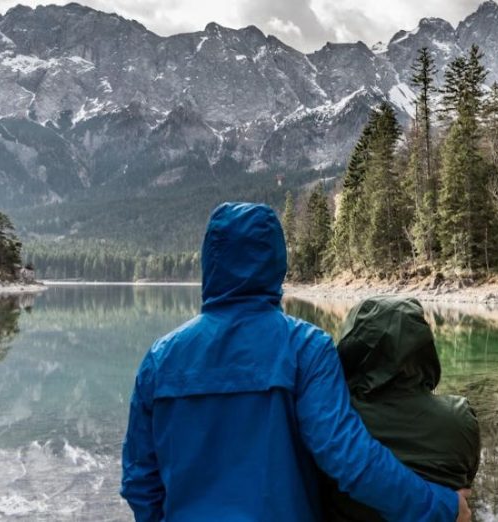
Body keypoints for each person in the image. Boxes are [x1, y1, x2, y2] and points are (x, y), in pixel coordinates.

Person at [120, 202, 470, 522]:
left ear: (209, 260)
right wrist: (442, 507)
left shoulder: (159, 359)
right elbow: (349, 460)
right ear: (277, 261)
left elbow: (139, 481)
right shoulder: (306, 347)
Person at [323, 296, 482, 521]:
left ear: (351, 345)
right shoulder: (460, 418)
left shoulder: (331, 421)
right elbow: (467, 479)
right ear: (423, 347)